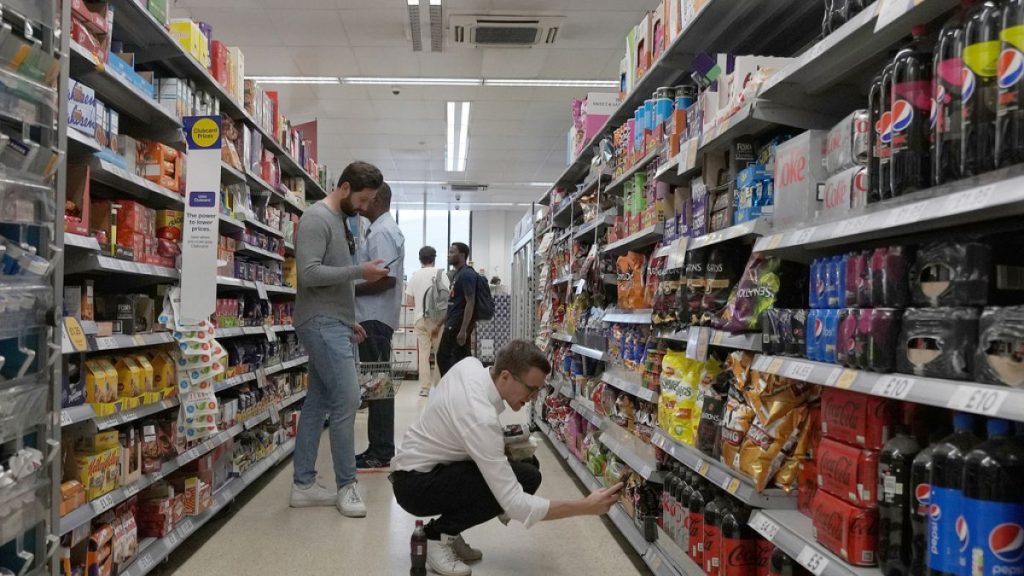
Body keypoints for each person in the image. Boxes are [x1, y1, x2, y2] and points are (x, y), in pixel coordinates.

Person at [390, 340, 623, 576]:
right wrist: (586, 506)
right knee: (525, 479)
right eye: (531, 389)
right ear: (505, 376)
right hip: (414, 485)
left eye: (537, 391)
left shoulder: (471, 365)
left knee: (528, 464)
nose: (533, 398)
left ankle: (451, 530)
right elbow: (516, 504)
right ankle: (436, 537)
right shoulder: (481, 417)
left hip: (423, 467)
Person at [290, 161, 390, 517]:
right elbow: (309, 273)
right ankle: (347, 485)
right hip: (319, 323)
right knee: (347, 401)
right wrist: (359, 270)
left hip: (335, 323)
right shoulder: (317, 218)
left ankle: (303, 484)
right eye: (362, 200)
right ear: (345, 187)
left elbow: (335, 281)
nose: (364, 208)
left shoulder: (342, 221)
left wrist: (349, 320)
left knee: (318, 403)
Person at [354, 182, 404, 470]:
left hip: (374, 318)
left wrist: (348, 289)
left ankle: (381, 450)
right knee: (378, 385)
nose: (360, 203)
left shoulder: (383, 232)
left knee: (378, 386)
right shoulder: (381, 229)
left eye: (365, 198)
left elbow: (386, 279)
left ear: (375, 199)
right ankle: (379, 447)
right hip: (376, 318)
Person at [404, 246, 449, 397]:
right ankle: (438, 387)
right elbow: (448, 297)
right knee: (439, 352)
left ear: (420, 259)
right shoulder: (441, 275)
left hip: (420, 319)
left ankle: (425, 388)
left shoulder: (415, 276)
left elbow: (409, 301)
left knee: (423, 354)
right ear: (434, 258)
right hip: (437, 320)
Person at [436, 242, 476, 376]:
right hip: (453, 322)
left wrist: (464, 330)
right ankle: (462, 388)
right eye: (449, 251)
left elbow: (470, 302)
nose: (449, 254)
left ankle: (450, 387)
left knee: (443, 357)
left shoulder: (467, 275)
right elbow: (453, 304)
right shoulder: (457, 275)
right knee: (461, 358)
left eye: (452, 252)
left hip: (457, 325)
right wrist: (439, 324)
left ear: (462, 255)